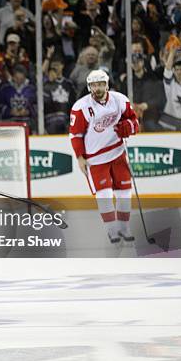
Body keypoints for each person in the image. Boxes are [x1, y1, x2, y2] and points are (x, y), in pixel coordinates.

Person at [69, 70, 139, 243]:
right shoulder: (81, 107)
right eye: (94, 85)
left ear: (107, 84)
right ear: (89, 87)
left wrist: (128, 126)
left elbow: (134, 121)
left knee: (124, 193)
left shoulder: (120, 100)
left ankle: (124, 228)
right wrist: (80, 157)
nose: (97, 88)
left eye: (101, 84)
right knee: (105, 194)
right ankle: (112, 230)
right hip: (95, 159)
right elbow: (75, 135)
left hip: (117, 152)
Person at [159, 49, 181, 131]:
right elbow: (168, 69)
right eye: (176, 69)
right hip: (169, 124)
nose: (179, 72)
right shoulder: (170, 84)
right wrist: (172, 52)